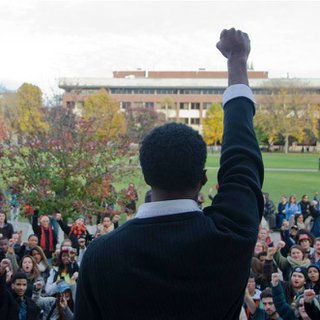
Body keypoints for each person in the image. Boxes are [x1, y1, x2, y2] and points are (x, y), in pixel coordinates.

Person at [75, 28, 264, 319]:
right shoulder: (230, 235)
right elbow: (242, 161)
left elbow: (242, 163)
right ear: (202, 179)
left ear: (146, 176)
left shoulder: (100, 256)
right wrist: (237, 60)